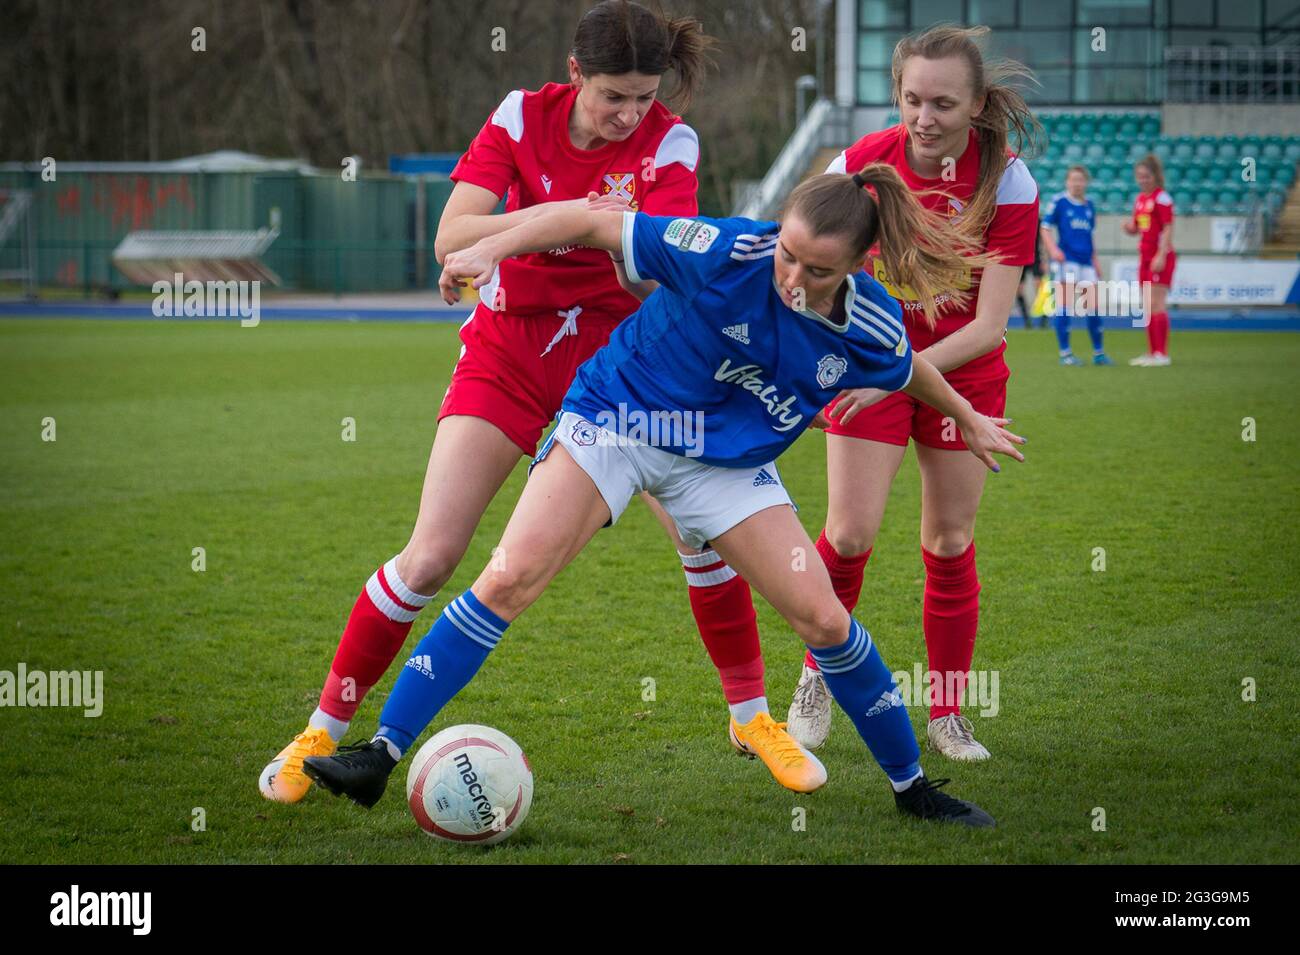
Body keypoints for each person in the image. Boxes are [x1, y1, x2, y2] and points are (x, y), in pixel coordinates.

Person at [300, 162, 1026, 828]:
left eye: (817, 268)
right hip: (618, 419)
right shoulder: (727, 248)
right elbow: (589, 221)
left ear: (857, 267)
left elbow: (906, 371)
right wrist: (501, 247)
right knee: (509, 575)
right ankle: (381, 754)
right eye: (789, 253)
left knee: (824, 618)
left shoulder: (869, 320)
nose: (793, 276)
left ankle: (913, 789)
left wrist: (966, 417)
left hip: (726, 466)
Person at [259, 0, 820, 804]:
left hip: (627, 363)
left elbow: (654, 266)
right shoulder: (522, 116)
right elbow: (453, 235)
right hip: (508, 351)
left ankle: (750, 715)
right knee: (430, 556)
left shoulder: (673, 140)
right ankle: (323, 726)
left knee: (701, 532)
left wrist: (532, 229)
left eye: (643, 96)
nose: (631, 114)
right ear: (574, 76)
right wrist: (572, 220)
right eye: (613, 96)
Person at [785, 25, 1039, 762]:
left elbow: (990, 325)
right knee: (850, 534)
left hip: (961, 371)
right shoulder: (860, 163)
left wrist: (900, 366)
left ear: (977, 103)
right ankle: (815, 676)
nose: (924, 119)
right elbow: (805, 263)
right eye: (910, 100)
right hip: (867, 369)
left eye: (943, 103)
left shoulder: (1007, 179)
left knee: (948, 541)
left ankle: (949, 714)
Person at [1042, 165, 1110, 365]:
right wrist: (1053, 250)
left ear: (1085, 183)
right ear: (1067, 182)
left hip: (1087, 262)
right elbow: (1045, 228)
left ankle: (1098, 353)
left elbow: (1090, 236)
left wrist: (1096, 261)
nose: (1077, 183)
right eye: (1073, 180)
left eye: (1080, 180)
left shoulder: (1089, 205)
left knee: (1093, 308)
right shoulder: (1060, 201)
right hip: (1067, 261)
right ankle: (1066, 353)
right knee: (1065, 306)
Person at [1125, 154, 1175, 366]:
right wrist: (1129, 228)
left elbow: (1168, 227)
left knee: (1157, 304)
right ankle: (1152, 352)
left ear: (1156, 176)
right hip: (1144, 257)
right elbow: (1138, 228)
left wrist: (1161, 254)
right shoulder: (1140, 200)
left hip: (1159, 257)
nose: (1143, 180)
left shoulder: (1161, 198)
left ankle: (1161, 354)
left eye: (1146, 176)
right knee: (1146, 305)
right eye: (1139, 176)